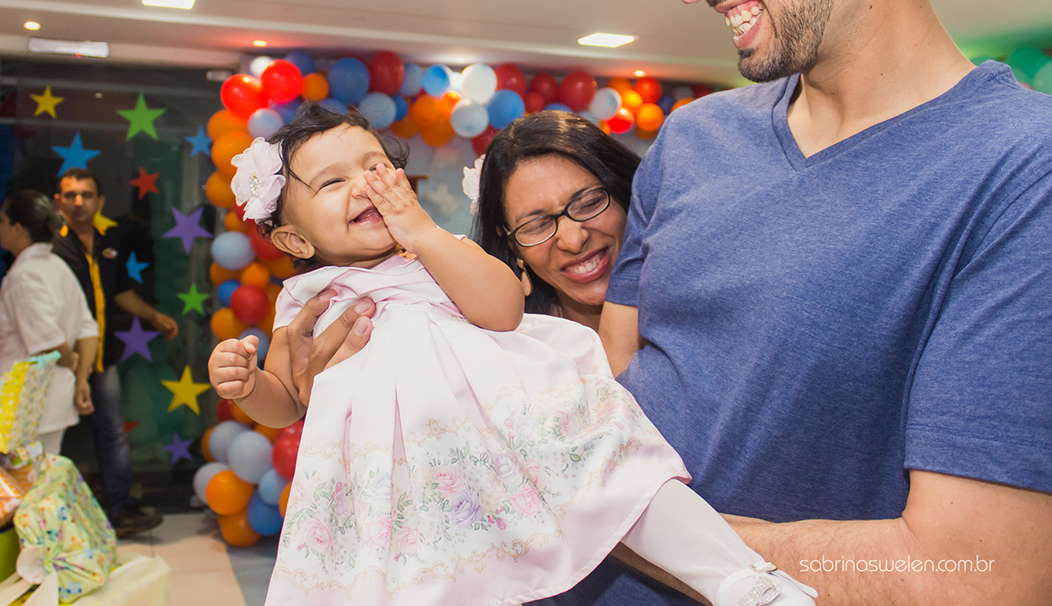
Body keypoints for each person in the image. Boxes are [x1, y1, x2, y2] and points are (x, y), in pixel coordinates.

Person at [564, 0, 1052, 604]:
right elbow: (618, 380)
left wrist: (617, 520)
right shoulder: (688, 140)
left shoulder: (1024, 169)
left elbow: (981, 577)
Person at [209, 105, 817, 606]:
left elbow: (501, 308)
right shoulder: (306, 305)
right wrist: (246, 386)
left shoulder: (431, 259)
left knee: (615, 468)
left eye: (376, 168)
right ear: (293, 238)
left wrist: (422, 231)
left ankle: (741, 580)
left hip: (501, 433)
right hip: (396, 479)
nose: (365, 184)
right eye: (333, 181)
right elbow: (287, 403)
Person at [51, 168, 171, 537]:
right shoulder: (51, 246)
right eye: (71, 195)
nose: (79, 202)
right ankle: (56, 519)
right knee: (57, 438)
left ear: (99, 202)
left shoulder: (110, 238)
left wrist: (154, 316)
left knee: (113, 434)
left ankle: (118, 510)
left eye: (86, 195)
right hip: (60, 361)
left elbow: (120, 290)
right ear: (59, 201)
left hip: (102, 357)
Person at [474, 110, 640, 332]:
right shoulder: (510, 350)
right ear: (514, 248)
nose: (574, 241)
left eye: (589, 203)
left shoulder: (694, 322)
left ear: (626, 196)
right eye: (538, 226)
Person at [0, 190, 97, 457]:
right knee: (43, 484)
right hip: (51, 401)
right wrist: (81, 377)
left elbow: (49, 345)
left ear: (18, 228)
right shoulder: (57, 266)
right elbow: (88, 327)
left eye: (2, 221)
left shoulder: (25, 275)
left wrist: (72, 362)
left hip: (24, 402)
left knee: (19, 489)